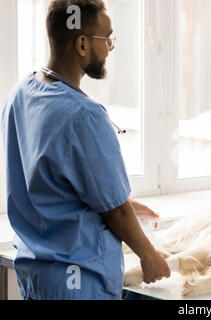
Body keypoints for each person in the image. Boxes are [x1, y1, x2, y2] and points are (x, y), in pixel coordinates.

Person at [1, 0, 170, 300]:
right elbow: (116, 212)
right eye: (107, 39)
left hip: (38, 276)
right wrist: (148, 255)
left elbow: (52, 180)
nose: (110, 48)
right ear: (81, 44)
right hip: (78, 282)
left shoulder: (20, 93)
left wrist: (125, 203)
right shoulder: (84, 115)